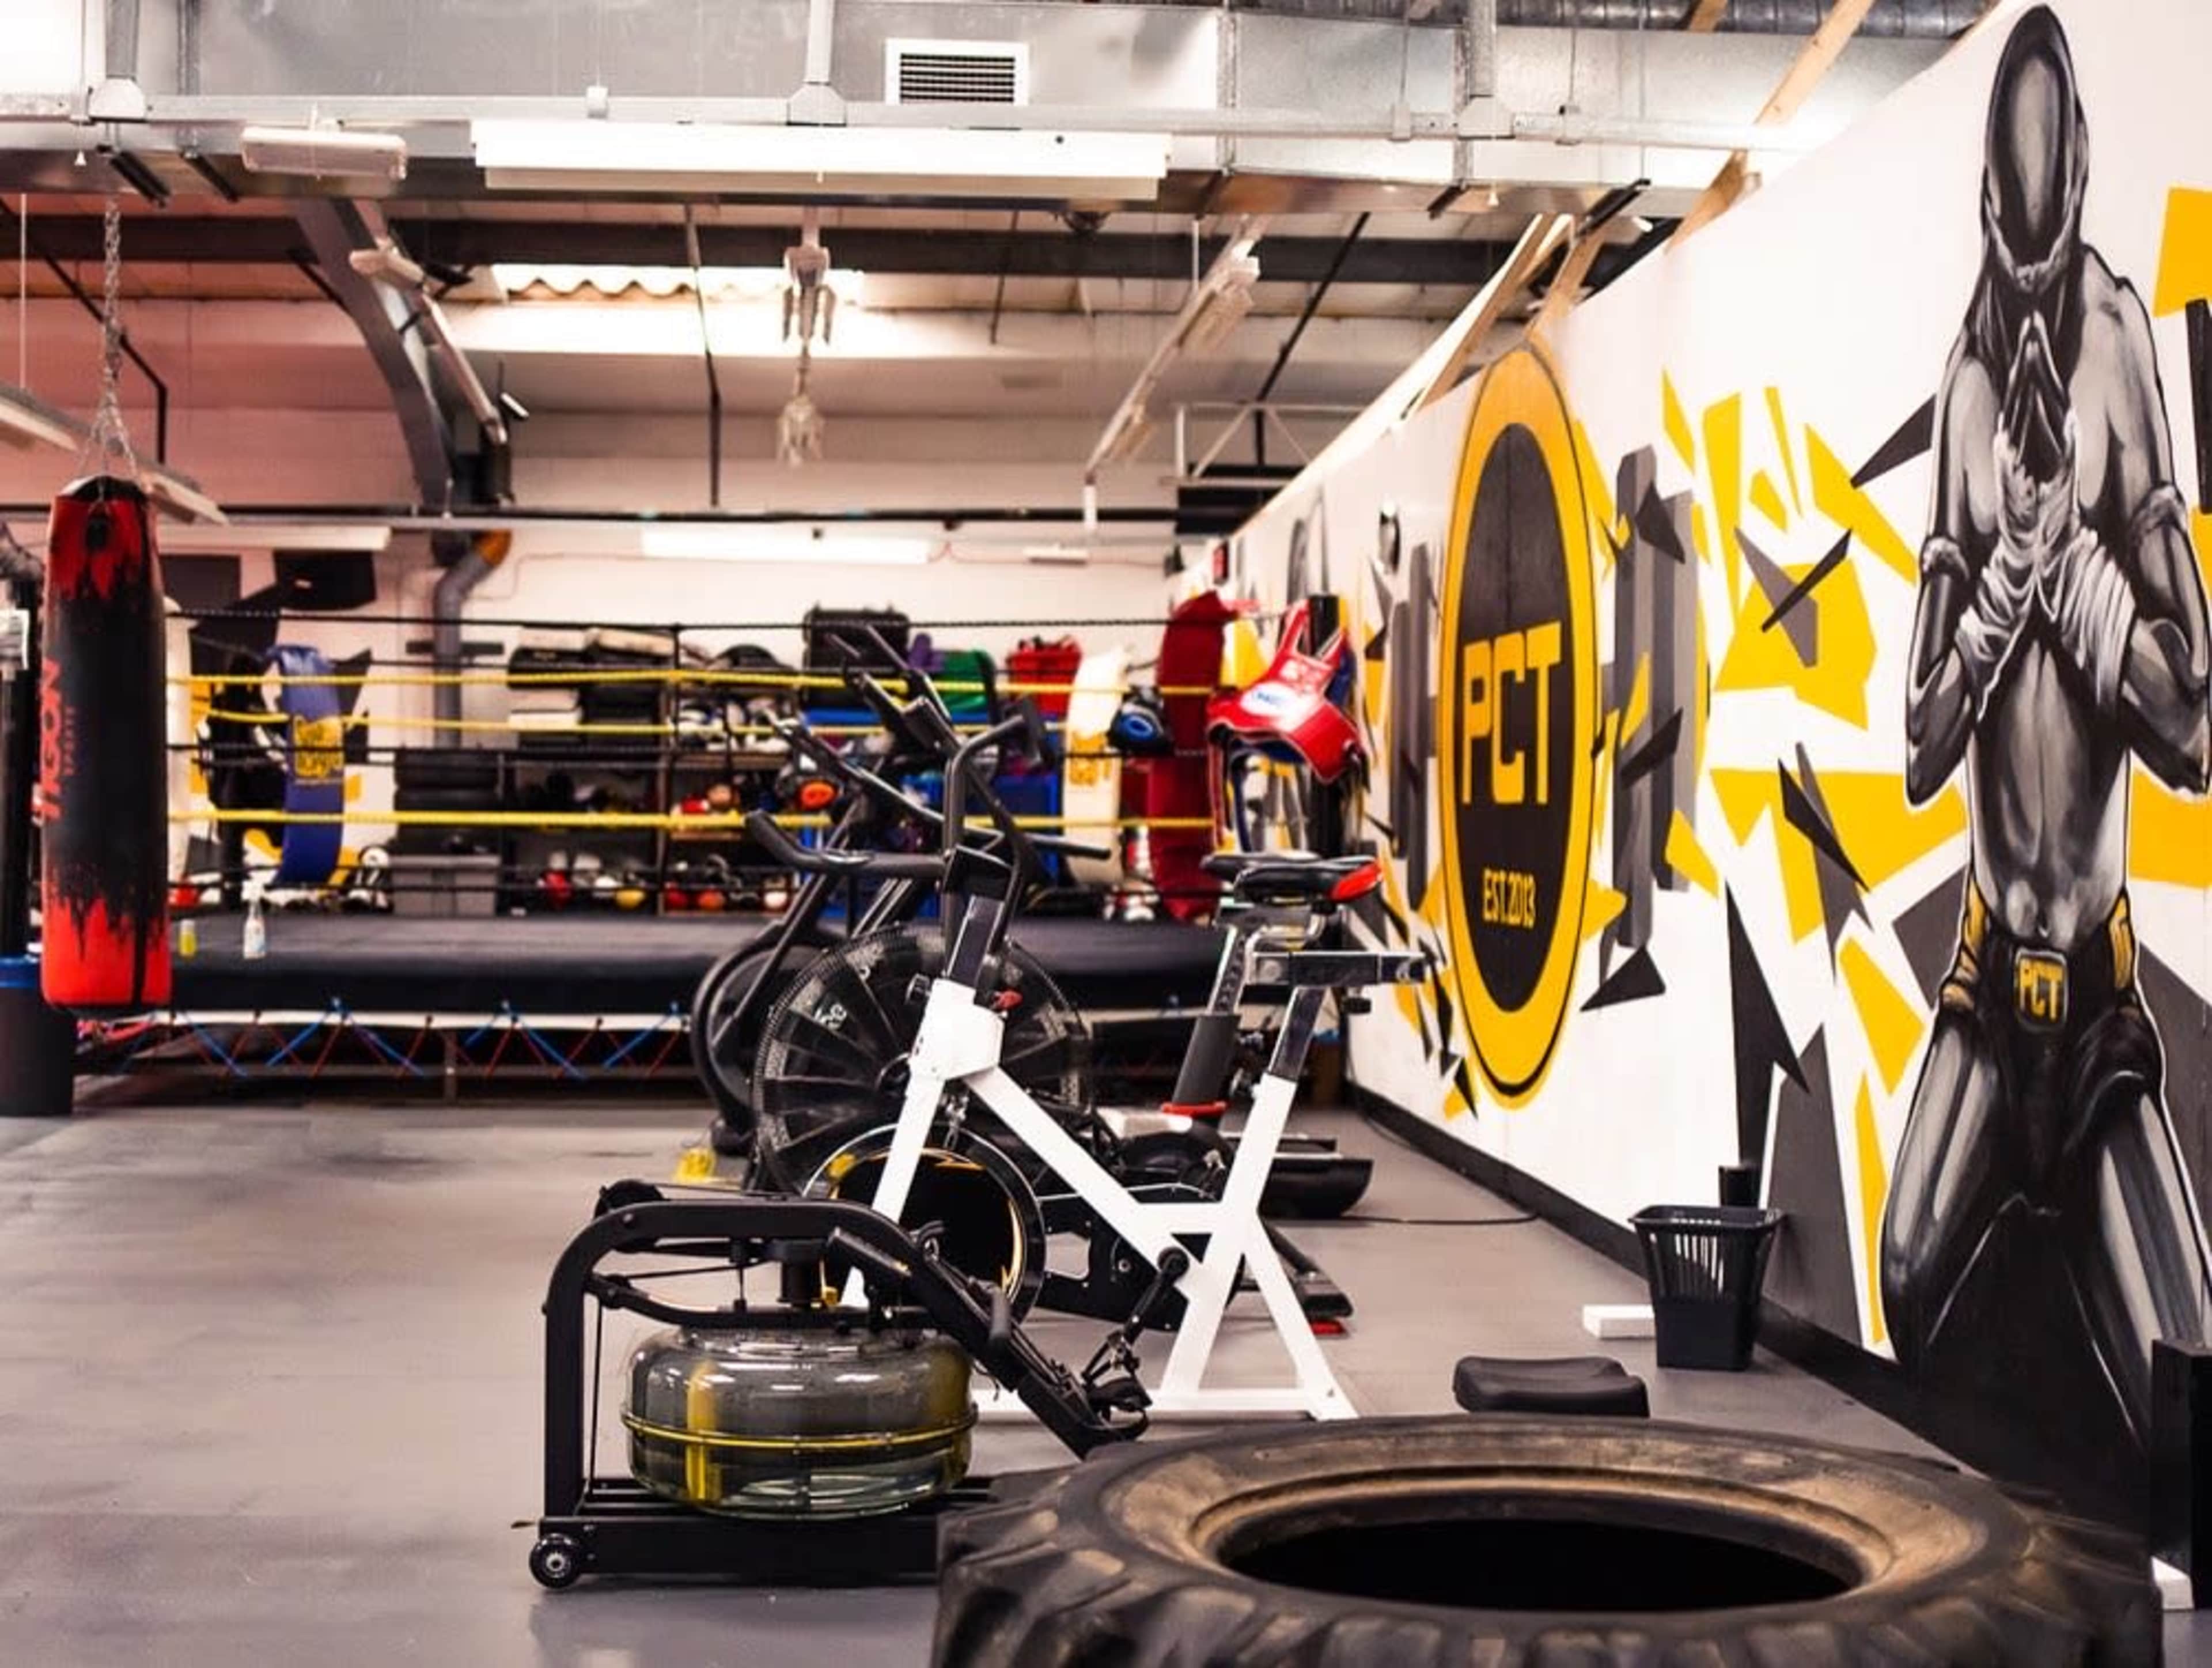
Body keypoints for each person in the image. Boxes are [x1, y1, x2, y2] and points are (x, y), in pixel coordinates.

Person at [1881, 5, 2212, 1447]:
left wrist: (2079, 575)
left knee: (2188, 1373)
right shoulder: (1963, 390)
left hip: (2093, 993)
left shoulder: (2124, 341)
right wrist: (2004, 575)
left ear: (2073, 186)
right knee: (1898, 1276)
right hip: (1978, 976)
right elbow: (1920, 742)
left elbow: (2193, 725)